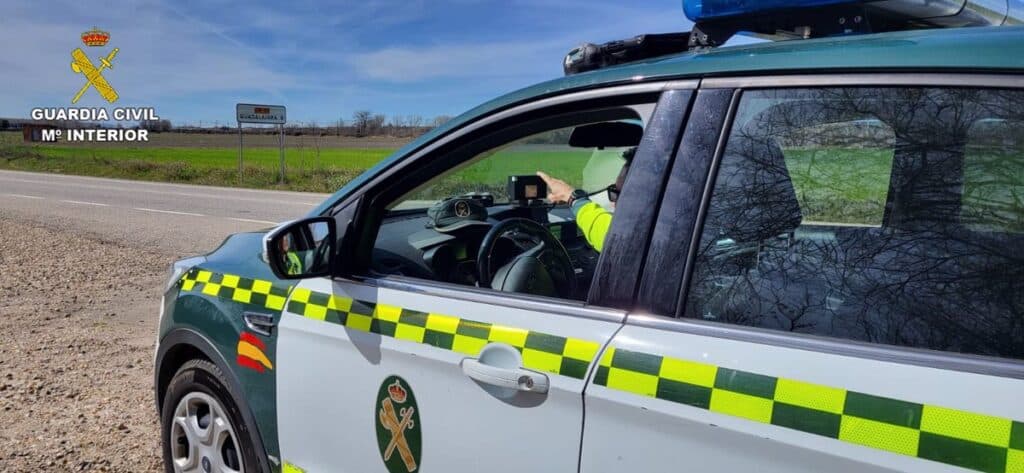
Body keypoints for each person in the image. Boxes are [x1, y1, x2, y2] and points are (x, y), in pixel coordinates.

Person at [537, 147, 634, 253]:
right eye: (614, 191)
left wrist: (572, 197)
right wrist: (574, 199)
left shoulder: (633, 237)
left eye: (621, 194)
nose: (614, 203)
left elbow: (612, 236)